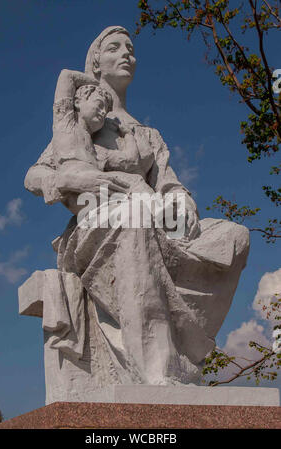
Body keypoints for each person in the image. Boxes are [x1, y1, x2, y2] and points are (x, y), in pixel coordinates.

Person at [24, 26, 250, 403]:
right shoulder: (84, 120)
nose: (127, 53)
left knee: (233, 237)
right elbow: (36, 174)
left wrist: (180, 201)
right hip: (98, 222)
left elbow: (172, 185)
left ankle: (186, 352)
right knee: (135, 218)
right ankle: (156, 371)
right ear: (96, 61)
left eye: (131, 47)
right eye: (114, 47)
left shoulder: (148, 135)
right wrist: (69, 178)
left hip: (157, 220)